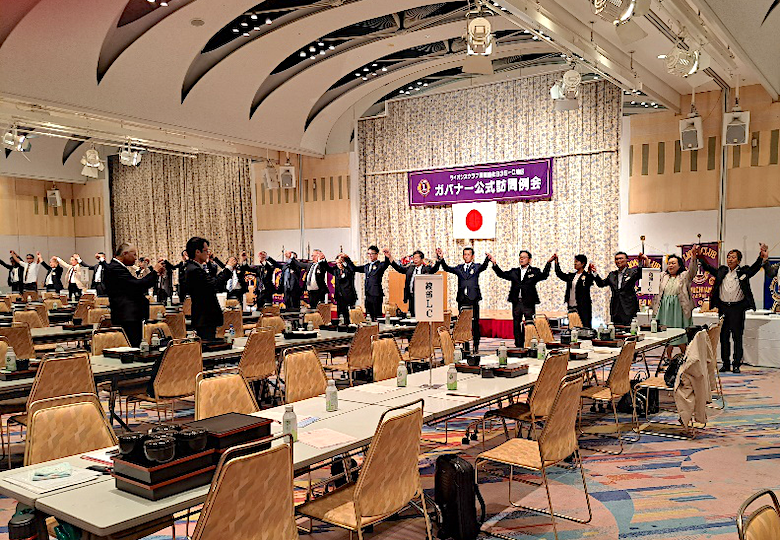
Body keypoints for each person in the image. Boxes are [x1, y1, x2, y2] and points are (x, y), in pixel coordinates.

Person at [698, 243, 768, 373]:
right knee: (724, 336)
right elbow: (707, 267)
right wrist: (699, 256)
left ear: (739, 260)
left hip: (737, 308)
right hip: (723, 308)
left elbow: (754, 268)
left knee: (737, 337)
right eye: (728, 257)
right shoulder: (722, 271)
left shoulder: (743, 271)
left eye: (733, 257)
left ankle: (736, 364)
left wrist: (761, 257)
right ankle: (725, 364)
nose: (730, 259)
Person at [103, 243, 163, 347]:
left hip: (129, 315)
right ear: (125, 254)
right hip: (127, 317)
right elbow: (137, 286)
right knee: (133, 347)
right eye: (134, 254)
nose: (135, 258)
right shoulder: (115, 268)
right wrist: (154, 272)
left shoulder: (117, 267)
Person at [489, 250, 552, 348]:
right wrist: (494, 263)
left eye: (524, 257)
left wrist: (548, 263)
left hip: (529, 303)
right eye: (520, 257)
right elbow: (502, 274)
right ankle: (518, 345)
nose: (521, 259)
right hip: (516, 302)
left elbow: (544, 275)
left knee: (529, 324)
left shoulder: (534, 271)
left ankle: (529, 344)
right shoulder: (514, 271)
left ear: (529, 260)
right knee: (516, 324)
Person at [435, 247, 490, 352]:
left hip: (473, 299)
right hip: (462, 299)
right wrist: (441, 258)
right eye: (465, 254)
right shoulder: (459, 268)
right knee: (463, 324)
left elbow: (484, 266)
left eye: (469, 254)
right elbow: (447, 268)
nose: (466, 256)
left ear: (472, 256)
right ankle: (465, 346)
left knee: (475, 323)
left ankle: (476, 346)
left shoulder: (476, 266)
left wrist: (487, 259)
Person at [650, 251, 700, 358]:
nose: (670, 265)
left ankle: (685, 358)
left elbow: (693, 271)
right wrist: (645, 262)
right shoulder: (663, 276)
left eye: (673, 263)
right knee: (667, 335)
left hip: (679, 309)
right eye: (669, 263)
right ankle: (668, 358)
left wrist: (693, 258)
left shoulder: (684, 275)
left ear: (679, 265)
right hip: (665, 309)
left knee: (681, 335)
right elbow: (650, 275)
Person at [184, 237, 235, 340]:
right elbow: (214, 284)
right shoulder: (194, 270)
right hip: (204, 317)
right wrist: (228, 267)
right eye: (206, 251)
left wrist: (210, 263)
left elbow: (211, 279)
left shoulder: (195, 267)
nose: (208, 253)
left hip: (205, 317)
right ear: (197, 252)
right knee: (207, 344)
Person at [593, 251, 643, 326]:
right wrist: (594, 273)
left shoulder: (632, 272)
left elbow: (641, 273)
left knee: (630, 329)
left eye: (621, 258)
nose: (618, 261)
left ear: (626, 260)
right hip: (615, 309)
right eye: (616, 259)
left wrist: (640, 262)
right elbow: (601, 284)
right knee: (615, 330)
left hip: (629, 308)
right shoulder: (612, 275)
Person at [343, 245, 390, 320]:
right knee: (368, 315)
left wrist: (387, 256)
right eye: (368, 254)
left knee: (377, 316)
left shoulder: (380, 265)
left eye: (372, 254)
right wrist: (347, 259)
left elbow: (386, 263)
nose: (370, 256)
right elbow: (354, 268)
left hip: (376, 294)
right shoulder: (367, 266)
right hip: (368, 294)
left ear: (377, 254)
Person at [389, 250, 441, 317]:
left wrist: (439, 259)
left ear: (422, 259)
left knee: (421, 315)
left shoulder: (426, 269)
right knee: (412, 315)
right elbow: (399, 269)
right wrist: (390, 258)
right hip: (411, 296)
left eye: (417, 258)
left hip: (422, 298)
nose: (415, 259)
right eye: (414, 258)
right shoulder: (410, 268)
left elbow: (435, 269)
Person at [553, 253, 596, 328]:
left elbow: (589, 282)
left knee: (584, 326)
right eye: (574, 261)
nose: (574, 263)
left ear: (583, 263)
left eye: (576, 261)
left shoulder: (587, 275)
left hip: (583, 306)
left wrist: (589, 272)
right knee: (573, 327)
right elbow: (560, 274)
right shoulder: (571, 276)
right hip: (571, 306)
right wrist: (556, 262)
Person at [327, 254, 357, 324]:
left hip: (348, 296)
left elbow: (352, 268)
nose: (339, 264)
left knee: (347, 316)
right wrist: (322, 260)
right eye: (337, 263)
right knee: (339, 315)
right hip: (339, 296)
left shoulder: (349, 271)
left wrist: (346, 258)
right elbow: (327, 268)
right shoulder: (336, 271)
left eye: (340, 262)